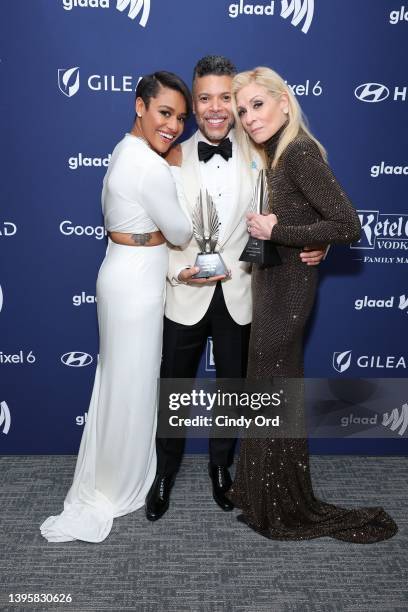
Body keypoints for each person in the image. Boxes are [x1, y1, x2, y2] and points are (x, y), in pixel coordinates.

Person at [145, 56, 326, 522]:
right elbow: (150, 231)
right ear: (194, 104)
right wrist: (176, 274)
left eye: (226, 98)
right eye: (204, 98)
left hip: (244, 294)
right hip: (185, 293)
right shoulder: (169, 156)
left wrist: (317, 240)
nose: (216, 108)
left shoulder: (264, 151)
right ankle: (164, 473)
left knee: (233, 391)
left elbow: (304, 205)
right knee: (176, 389)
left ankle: (222, 471)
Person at [226, 66, 397, 542]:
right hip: (272, 282)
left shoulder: (299, 151)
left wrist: (277, 232)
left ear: (285, 101)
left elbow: (348, 223)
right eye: (243, 110)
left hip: (288, 290)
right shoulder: (275, 155)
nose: (249, 117)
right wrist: (294, 235)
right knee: (269, 386)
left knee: (273, 388)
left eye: (257, 105)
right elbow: (315, 224)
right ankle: (265, 496)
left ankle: (282, 503)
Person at [40, 71, 193, 543]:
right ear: (140, 106)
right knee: (130, 381)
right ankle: (119, 482)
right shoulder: (150, 165)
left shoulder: (124, 149)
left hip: (123, 270)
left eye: (181, 119)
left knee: (120, 379)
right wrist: (174, 167)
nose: (173, 126)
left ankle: (115, 470)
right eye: (165, 113)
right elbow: (184, 233)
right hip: (136, 281)